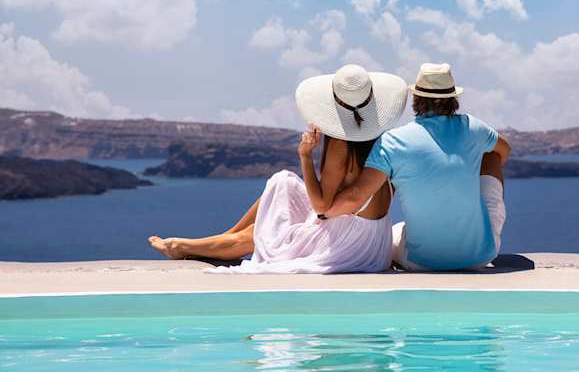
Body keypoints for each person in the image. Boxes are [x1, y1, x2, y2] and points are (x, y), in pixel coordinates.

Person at [147, 64, 409, 273]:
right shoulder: (385, 142)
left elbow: (321, 207)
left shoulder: (341, 145)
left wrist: (305, 156)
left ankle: (183, 246)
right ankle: (224, 237)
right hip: (373, 243)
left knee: (264, 234)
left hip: (348, 247)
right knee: (283, 181)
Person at [324, 63, 510, 270]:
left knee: (397, 231)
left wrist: (325, 213)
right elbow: (505, 149)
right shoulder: (473, 127)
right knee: (491, 155)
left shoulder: (393, 141)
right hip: (478, 256)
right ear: (453, 98)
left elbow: (356, 197)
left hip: (421, 262)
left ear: (416, 98)